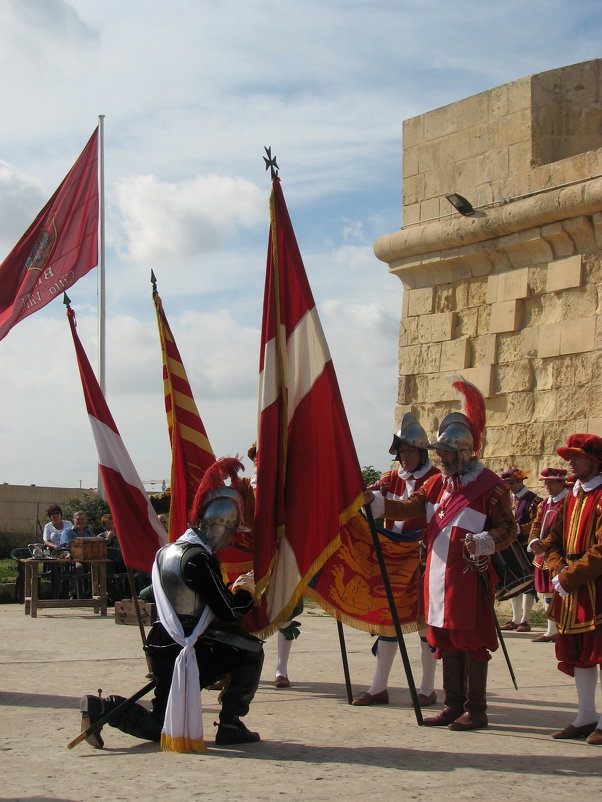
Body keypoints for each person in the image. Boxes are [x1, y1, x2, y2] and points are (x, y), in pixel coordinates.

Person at [80, 458, 264, 750]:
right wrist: (245, 590)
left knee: (161, 724)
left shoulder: (169, 550)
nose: (231, 541)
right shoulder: (199, 558)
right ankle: (231, 722)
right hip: (189, 643)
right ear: (219, 526)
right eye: (231, 532)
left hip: (161, 642)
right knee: (251, 652)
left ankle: (101, 708)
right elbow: (228, 611)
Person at [365, 376, 516, 730]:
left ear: (463, 453)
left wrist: (483, 542)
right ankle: (453, 704)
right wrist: (373, 501)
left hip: (469, 575)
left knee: (470, 640)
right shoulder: (436, 483)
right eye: (439, 454)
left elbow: (508, 529)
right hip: (435, 572)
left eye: (447, 454)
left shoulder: (489, 487)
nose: (441, 459)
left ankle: (476, 709)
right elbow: (408, 508)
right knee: (445, 639)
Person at [352, 413, 440, 707]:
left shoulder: (436, 480)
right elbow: (372, 501)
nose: (404, 457)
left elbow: (421, 512)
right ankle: (379, 687)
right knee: (387, 622)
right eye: (401, 451)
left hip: (424, 557)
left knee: (426, 623)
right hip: (392, 557)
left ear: (421, 451)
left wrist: (376, 502)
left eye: (409, 451)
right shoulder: (391, 478)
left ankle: (427, 688)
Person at [540, 434, 602, 746]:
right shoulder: (572, 497)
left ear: (595, 461)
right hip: (572, 585)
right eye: (569, 457)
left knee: (600, 652)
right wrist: (555, 567)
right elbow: (553, 539)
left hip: (597, 587)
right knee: (580, 654)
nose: (571, 463)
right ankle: (586, 715)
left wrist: (568, 577)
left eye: (577, 457)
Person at [527, 467, 568, 643]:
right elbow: (536, 524)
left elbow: (560, 530)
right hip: (543, 553)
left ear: (561, 483)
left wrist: (543, 545)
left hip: (558, 552)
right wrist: (534, 541)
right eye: (546, 483)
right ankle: (551, 630)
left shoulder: (567, 502)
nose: (548, 486)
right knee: (546, 591)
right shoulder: (544, 503)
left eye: (551, 483)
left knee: (559, 589)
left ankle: (561, 628)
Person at [499, 468, 542, 633]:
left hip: (526, 546)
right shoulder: (509, 500)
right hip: (511, 546)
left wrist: (520, 529)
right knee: (514, 581)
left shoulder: (534, 500)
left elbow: (538, 523)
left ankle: (525, 619)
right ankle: (515, 619)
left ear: (520, 481)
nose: (508, 486)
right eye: (506, 484)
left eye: (511, 483)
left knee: (529, 583)